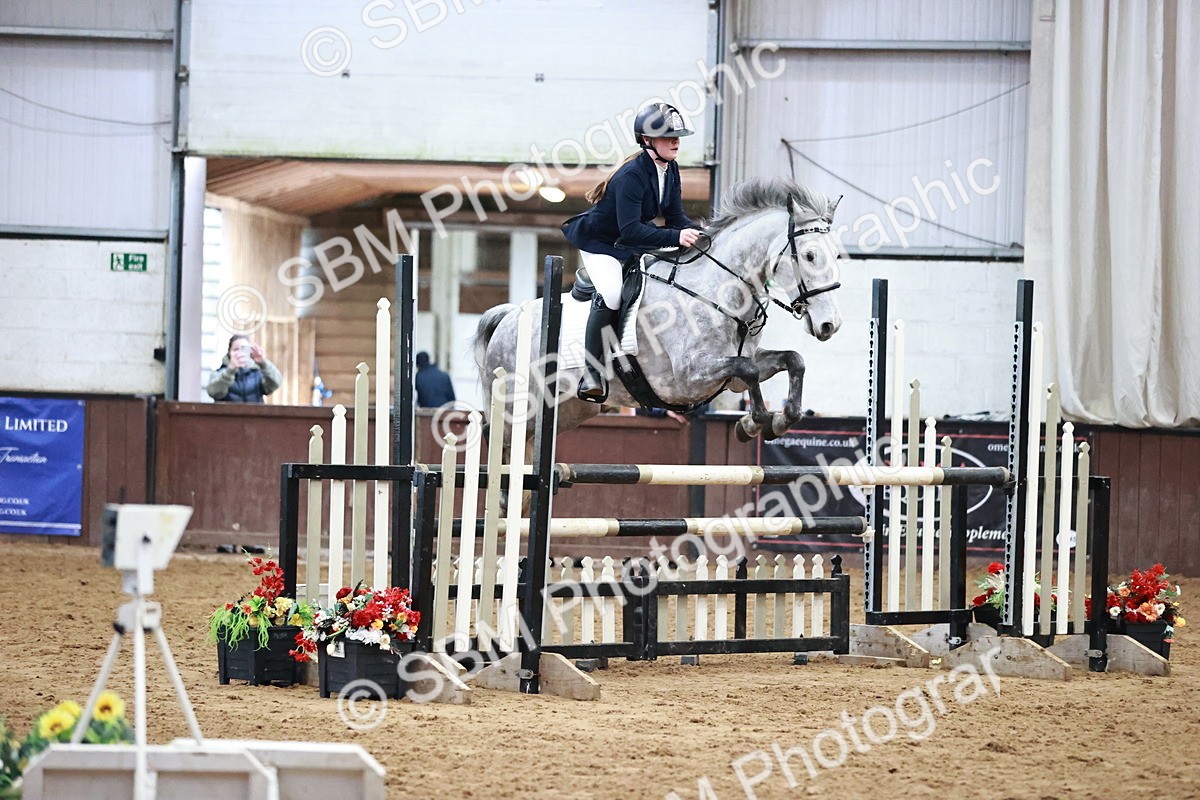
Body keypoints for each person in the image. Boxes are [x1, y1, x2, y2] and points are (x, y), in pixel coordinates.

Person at [562, 102, 703, 402]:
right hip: (601, 244)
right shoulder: (632, 176)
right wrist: (677, 236)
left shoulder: (670, 169)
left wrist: (702, 234)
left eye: (678, 135)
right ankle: (592, 372)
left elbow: (676, 217)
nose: (676, 141)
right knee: (612, 293)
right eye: (668, 136)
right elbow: (631, 230)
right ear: (648, 141)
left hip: (628, 246)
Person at [206, 335, 283, 403]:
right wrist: (230, 371)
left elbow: (275, 382)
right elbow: (214, 392)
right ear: (229, 352)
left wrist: (263, 363)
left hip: (254, 417)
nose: (240, 353)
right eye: (236, 349)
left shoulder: (257, 374)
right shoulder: (219, 373)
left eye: (244, 349)